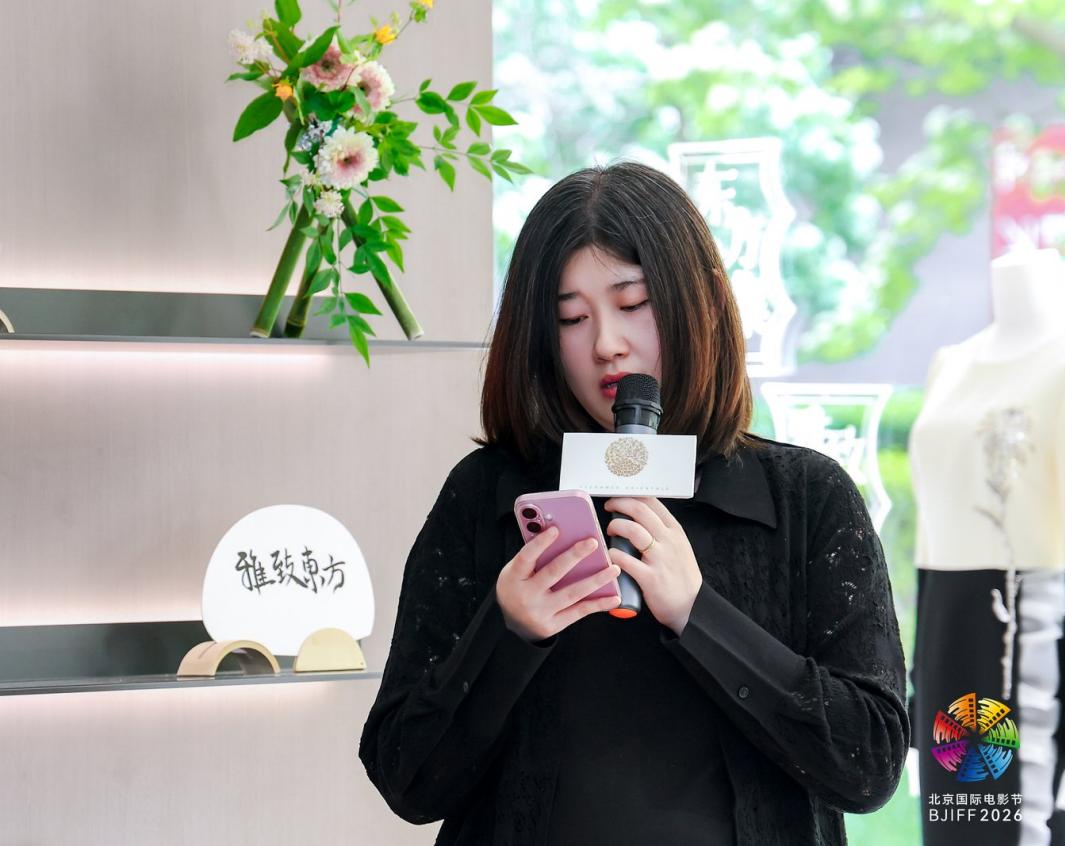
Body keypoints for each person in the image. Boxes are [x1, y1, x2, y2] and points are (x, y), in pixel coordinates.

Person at [358, 161, 910, 845]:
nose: (606, 345)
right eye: (571, 317)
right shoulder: (487, 493)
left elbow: (868, 766)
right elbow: (406, 780)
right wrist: (506, 632)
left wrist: (699, 615)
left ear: (696, 304)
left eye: (632, 304)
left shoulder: (805, 496)